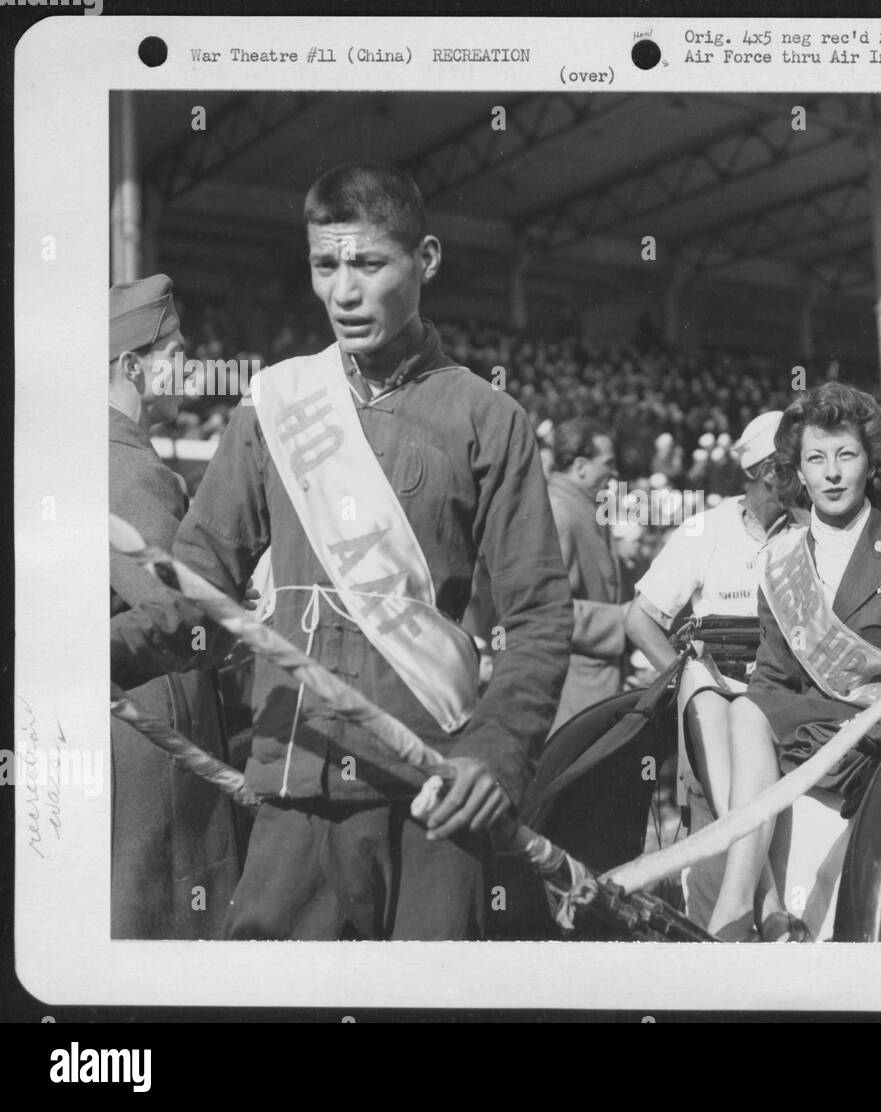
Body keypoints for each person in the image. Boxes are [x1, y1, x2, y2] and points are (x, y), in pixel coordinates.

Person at [111, 163, 573, 940]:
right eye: (326, 265)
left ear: (423, 260)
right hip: (295, 783)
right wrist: (96, 652)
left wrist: (495, 758)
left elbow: (538, 618)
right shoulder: (274, 404)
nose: (344, 292)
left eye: (368, 263)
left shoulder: (488, 419)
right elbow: (201, 597)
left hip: (435, 792)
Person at [725, 384, 881, 939]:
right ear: (798, 471)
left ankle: (748, 911)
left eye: (846, 455)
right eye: (816, 458)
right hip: (810, 732)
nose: (832, 473)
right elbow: (773, 679)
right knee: (734, 709)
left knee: (743, 715)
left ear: (872, 464)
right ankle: (744, 904)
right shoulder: (778, 561)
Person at [625, 410, 806, 940]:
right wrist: (681, 675)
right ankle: (765, 904)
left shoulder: (807, 532)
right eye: (794, 465)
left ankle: (766, 903)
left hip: (774, 703)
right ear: (767, 472)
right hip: (710, 701)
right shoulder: (706, 528)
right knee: (710, 877)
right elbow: (640, 619)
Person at [108, 274, 243, 939]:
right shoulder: (133, 473)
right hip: (153, 750)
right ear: (133, 366)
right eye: (176, 351)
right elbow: (185, 626)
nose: (191, 364)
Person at [547, 417, 626, 731]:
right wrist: (626, 621)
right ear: (581, 466)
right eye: (608, 463)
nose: (615, 473)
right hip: (573, 693)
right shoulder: (559, 512)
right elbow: (551, 611)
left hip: (594, 685)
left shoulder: (582, 506)